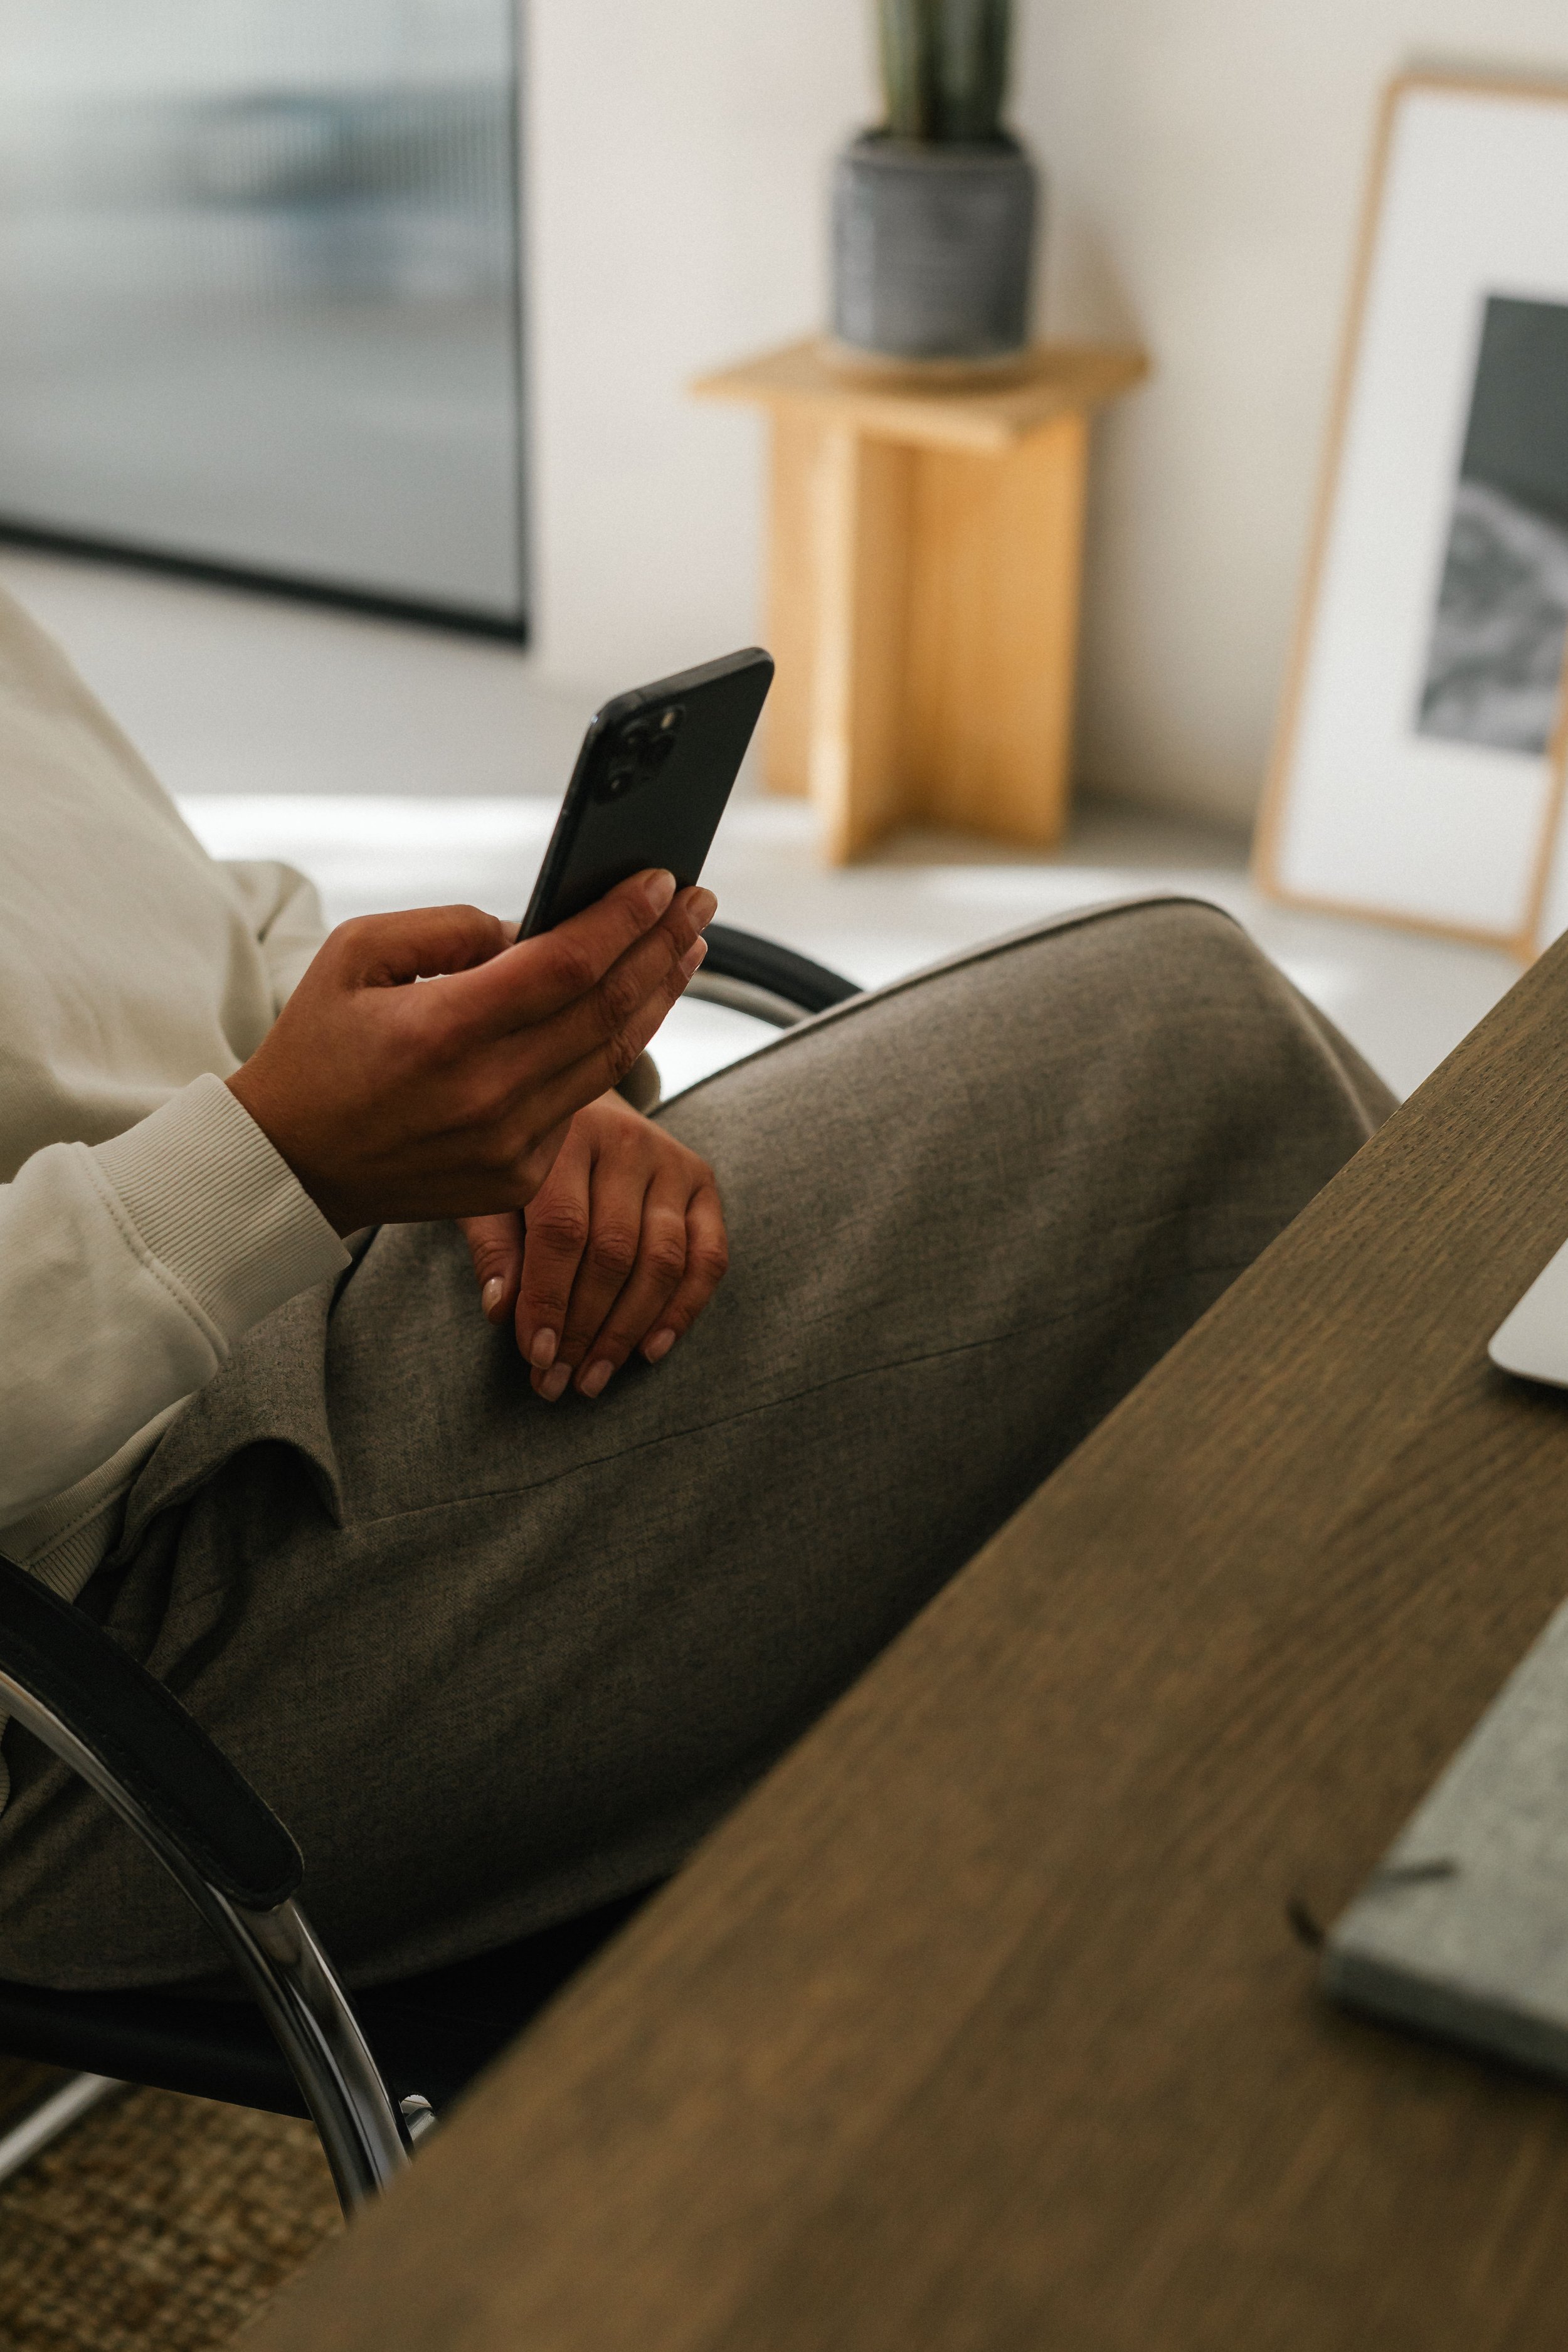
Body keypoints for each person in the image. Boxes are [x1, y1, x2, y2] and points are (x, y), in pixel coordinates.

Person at [0, 582, 1394, 1992]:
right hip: (114, 1595)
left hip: (320, 1245)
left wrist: (476, 1080)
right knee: (1198, 1059)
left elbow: (224, 921)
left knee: (1213, 1114)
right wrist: (280, 1160)